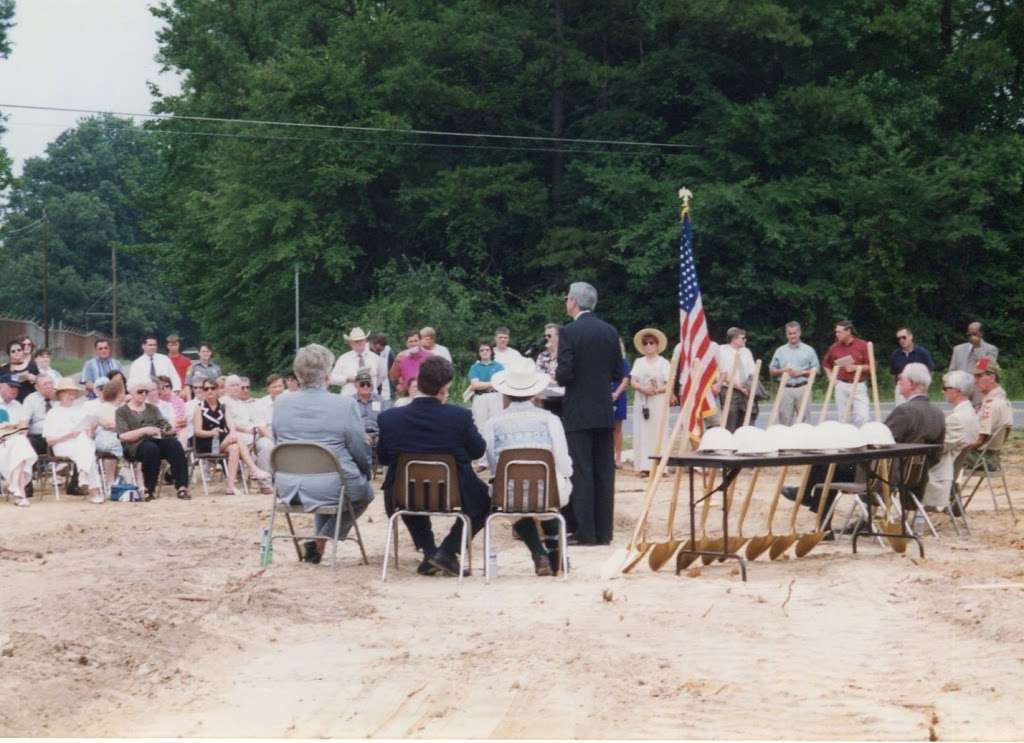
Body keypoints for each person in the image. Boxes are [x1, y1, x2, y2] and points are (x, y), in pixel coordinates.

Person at [377, 356, 490, 576]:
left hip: (403, 494)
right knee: (485, 501)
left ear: (418, 382)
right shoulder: (460, 416)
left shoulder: (390, 418)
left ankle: (430, 552)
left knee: (409, 486)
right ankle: (447, 551)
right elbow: (477, 450)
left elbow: (383, 458)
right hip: (453, 491)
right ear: (445, 387)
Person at [273, 343, 375, 565]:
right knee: (363, 492)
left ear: (298, 375)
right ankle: (320, 540)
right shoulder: (345, 404)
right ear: (328, 374)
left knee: (333, 477)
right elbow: (359, 448)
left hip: (288, 485)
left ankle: (316, 549)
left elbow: (276, 439)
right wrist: (366, 471)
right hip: (332, 483)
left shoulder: (280, 402)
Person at [482, 359, 573, 576]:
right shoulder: (550, 419)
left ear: (505, 393)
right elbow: (563, 461)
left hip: (509, 494)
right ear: (534, 393)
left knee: (511, 495)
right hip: (548, 491)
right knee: (554, 488)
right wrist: (566, 475)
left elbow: (494, 467)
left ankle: (538, 552)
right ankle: (554, 554)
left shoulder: (493, 423)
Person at [555, 281, 623, 545]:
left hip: (578, 410)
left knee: (582, 470)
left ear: (574, 301)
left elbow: (565, 373)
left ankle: (586, 532)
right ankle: (604, 532)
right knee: (604, 471)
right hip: (604, 409)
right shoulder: (609, 331)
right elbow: (618, 371)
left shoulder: (569, 332)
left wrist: (559, 376)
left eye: (567, 299)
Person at [883, 362, 946, 506]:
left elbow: (883, 441)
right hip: (919, 474)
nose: (898, 382)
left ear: (912, 384)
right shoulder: (938, 413)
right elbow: (938, 452)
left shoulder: (904, 411)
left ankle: (824, 521)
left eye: (901, 379)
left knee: (834, 469)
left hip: (893, 474)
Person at [116, 379, 190, 500]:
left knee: (174, 445)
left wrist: (169, 429)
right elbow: (123, 436)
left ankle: (182, 486)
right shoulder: (122, 411)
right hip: (134, 446)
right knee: (151, 448)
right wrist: (144, 430)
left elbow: (164, 425)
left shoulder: (152, 409)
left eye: (146, 392)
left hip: (154, 440)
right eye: (140, 392)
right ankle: (148, 489)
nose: (144, 394)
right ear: (131, 393)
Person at [923, 371, 979, 510]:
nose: (943, 392)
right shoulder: (970, 413)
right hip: (952, 467)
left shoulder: (957, 419)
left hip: (939, 471)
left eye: (946, 389)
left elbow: (938, 448)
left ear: (957, 391)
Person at [43, 379, 104, 504]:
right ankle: (94, 490)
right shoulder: (53, 413)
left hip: (81, 444)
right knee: (87, 450)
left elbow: (87, 431)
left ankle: (84, 475)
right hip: (62, 445)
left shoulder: (80, 410)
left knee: (85, 443)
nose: (71, 396)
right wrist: (69, 435)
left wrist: (91, 429)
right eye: (68, 393)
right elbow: (49, 441)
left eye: (73, 393)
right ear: (60, 394)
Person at [630, 328, 670, 476]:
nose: (648, 346)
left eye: (651, 343)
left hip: (658, 400)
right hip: (642, 400)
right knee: (643, 432)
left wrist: (657, 390)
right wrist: (642, 388)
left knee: (659, 431)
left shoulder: (664, 363)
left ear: (657, 345)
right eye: (645, 343)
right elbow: (633, 381)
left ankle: (660, 466)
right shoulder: (639, 362)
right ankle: (644, 466)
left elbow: (668, 383)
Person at [962, 358, 1014, 469]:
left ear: (992, 377)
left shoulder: (991, 404)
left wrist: (958, 447)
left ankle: (950, 486)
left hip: (983, 459)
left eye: (979, 376)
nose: (975, 380)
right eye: (975, 376)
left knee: (940, 454)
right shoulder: (1003, 400)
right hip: (992, 458)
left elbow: (979, 441)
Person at [768, 321, 820, 425]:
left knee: (804, 421)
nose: (792, 336)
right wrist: (783, 371)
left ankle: (804, 440)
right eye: (789, 333)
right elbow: (771, 371)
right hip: (785, 389)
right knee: (784, 420)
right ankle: (787, 441)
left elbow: (817, 370)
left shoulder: (809, 350)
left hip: (803, 388)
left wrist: (801, 373)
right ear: (786, 334)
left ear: (799, 333)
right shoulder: (780, 351)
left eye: (794, 333)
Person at [822, 320, 871, 426]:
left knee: (863, 417)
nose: (836, 334)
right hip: (842, 385)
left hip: (858, 385)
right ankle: (848, 441)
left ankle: (864, 440)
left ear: (848, 331)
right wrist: (831, 377)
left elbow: (871, 367)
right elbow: (826, 364)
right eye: (836, 332)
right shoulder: (835, 347)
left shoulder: (862, 345)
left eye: (839, 332)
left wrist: (856, 367)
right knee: (843, 419)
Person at [0, 373, 38, 507]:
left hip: (13, 443)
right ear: (1, 386)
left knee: (21, 444)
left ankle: (18, 490)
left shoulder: (17, 405)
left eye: (16, 387)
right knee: (21, 447)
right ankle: (19, 492)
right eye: (11, 386)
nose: (15, 390)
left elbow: (23, 428)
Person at [716, 327, 758, 431]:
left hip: (746, 389)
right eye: (743, 338)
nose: (745, 340)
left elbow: (752, 372)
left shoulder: (746, 351)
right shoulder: (722, 351)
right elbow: (724, 374)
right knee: (731, 418)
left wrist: (749, 387)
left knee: (747, 418)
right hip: (730, 390)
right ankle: (730, 444)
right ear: (734, 339)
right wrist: (740, 388)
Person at [86, 376, 126, 484]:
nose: (125, 394)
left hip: (117, 438)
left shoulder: (123, 408)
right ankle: (112, 480)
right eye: (123, 392)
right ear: (119, 394)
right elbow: (107, 424)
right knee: (114, 444)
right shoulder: (104, 407)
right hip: (106, 439)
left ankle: (117, 478)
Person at [949, 322, 999, 407]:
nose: (972, 336)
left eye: (975, 333)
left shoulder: (991, 349)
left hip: (979, 391)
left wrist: (977, 347)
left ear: (981, 333)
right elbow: (952, 370)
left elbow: (984, 367)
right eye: (969, 334)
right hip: (962, 391)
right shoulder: (958, 349)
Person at [467, 340, 504, 436]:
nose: (484, 352)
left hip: (496, 397)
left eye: (487, 350)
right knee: (480, 426)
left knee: (497, 425)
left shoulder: (499, 366)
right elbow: (475, 385)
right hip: (480, 397)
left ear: (491, 351)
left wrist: (483, 383)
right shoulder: (475, 367)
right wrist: (492, 383)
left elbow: (501, 383)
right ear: (478, 353)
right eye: (481, 350)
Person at [330, 327, 380, 396]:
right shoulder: (343, 358)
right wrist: (348, 379)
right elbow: (332, 378)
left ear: (365, 340)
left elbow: (382, 377)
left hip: (371, 398)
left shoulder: (375, 358)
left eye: (361, 340)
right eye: (356, 341)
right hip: (349, 398)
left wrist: (370, 385)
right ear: (350, 343)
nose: (359, 343)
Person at [890, 328, 935, 402]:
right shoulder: (895, 354)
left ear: (911, 337)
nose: (901, 340)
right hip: (902, 388)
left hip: (919, 388)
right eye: (899, 339)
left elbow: (930, 371)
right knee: (902, 411)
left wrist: (926, 387)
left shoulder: (922, 353)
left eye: (904, 337)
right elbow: (893, 374)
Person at [253, 373, 286, 474]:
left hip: (286, 435)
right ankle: (265, 479)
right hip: (267, 436)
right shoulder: (260, 404)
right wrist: (276, 440)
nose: (277, 389)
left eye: (280, 386)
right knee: (267, 447)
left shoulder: (290, 401)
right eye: (274, 387)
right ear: (268, 388)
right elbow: (262, 428)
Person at [388, 329, 433, 396]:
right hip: (408, 394)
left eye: (416, 341)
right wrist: (396, 362)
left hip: (426, 393)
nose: (413, 344)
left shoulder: (429, 356)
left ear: (420, 342)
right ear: (406, 344)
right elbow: (392, 377)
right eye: (410, 341)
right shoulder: (402, 357)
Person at [23, 375, 57, 456]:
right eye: (45, 384)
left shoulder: (60, 396)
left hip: (57, 435)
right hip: (38, 436)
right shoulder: (30, 399)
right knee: (26, 444)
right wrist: (22, 439)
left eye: (51, 383)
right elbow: (24, 421)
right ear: (36, 387)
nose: (49, 386)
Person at [156, 375, 190, 448]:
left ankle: (181, 450)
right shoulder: (156, 403)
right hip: (162, 432)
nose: (164, 389)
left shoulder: (179, 401)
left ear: (171, 387)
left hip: (178, 431)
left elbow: (183, 419)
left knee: (184, 429)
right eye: (161, 387)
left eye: (167, 386)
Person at [611, 339, 630, 468]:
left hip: (619, 395)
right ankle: (608, 457)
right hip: (605, 395)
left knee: (618, 429)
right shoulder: (604, 362)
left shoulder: (623, 362)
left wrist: (616, 394)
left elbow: (625, 380)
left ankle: (618, 458)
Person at [353, 368, 382, 440]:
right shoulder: (350, 402)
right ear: (356, 385)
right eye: (362, 384)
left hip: (378, 435)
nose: (365, 386)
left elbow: (387, 420)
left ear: (371, 385)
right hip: (357, 436)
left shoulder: (380, 400)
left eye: (368, 384)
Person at [369, 333, 395, 406]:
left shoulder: (388, 351)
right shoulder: (364, 351)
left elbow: (394, 368)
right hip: (369, 392)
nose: (378, 352)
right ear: (371, 343)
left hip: (386, 392)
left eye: (381, 350)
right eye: (377, 350)